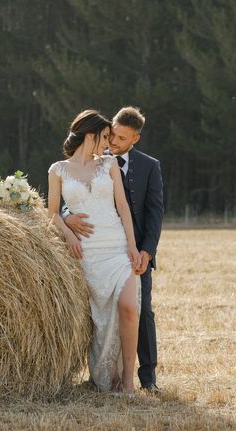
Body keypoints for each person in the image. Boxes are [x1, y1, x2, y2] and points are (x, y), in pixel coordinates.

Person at [65, 106, 164, 393]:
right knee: (98, 313)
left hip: (133, 252)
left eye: (121, 138)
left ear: (135, 139)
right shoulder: (94, 160)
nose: (113, 142)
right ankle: (101, 374)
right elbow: (70, 193)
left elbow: (154, 212)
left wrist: (146, 251)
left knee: (141, 311)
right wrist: (67, 215)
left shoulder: (149, 166)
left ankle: (148, 378)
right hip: (97, 246)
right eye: (112, 135)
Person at [47, 109, 141, 396]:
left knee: (128, 308)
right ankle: (106, 376)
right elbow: (50, 213)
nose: (108, 143)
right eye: (104, 137)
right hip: (85, 253)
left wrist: (132, 246)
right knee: (99, 319)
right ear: (90, 136)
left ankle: (128, 382)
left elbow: (123, 207)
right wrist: (67, 232)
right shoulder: (58, 170)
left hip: (116, 247)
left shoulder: (109, 165)